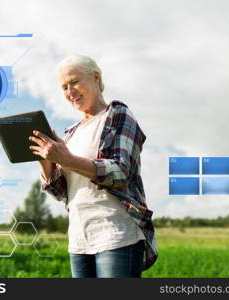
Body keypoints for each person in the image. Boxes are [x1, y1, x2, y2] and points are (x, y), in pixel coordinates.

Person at [29, 55, 157, 278]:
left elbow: (121, 172)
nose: (70, 91)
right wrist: (46, 160)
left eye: (75, 82)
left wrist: (67, 159)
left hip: (116, 233)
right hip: (79, 239)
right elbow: (60, 191)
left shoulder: (117, 115)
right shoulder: (71, 133)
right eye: (64, 87)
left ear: (95, 78)